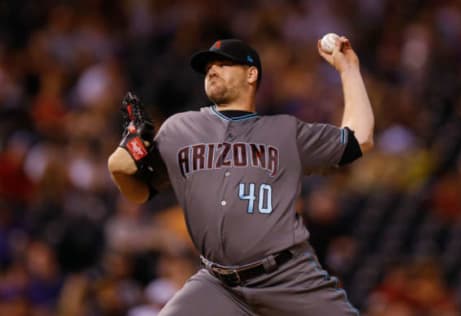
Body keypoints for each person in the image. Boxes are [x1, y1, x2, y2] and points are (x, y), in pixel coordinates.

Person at [108, 37, 374, 315]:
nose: (212, 70)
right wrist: (120, 161)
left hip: (287, 277)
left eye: (223, 64)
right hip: (217, 284)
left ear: (251, 73)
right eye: (208, 66)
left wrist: (349, 70)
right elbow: (140, 192)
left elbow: (360, 139)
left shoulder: (285, 131)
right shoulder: (179, 129)